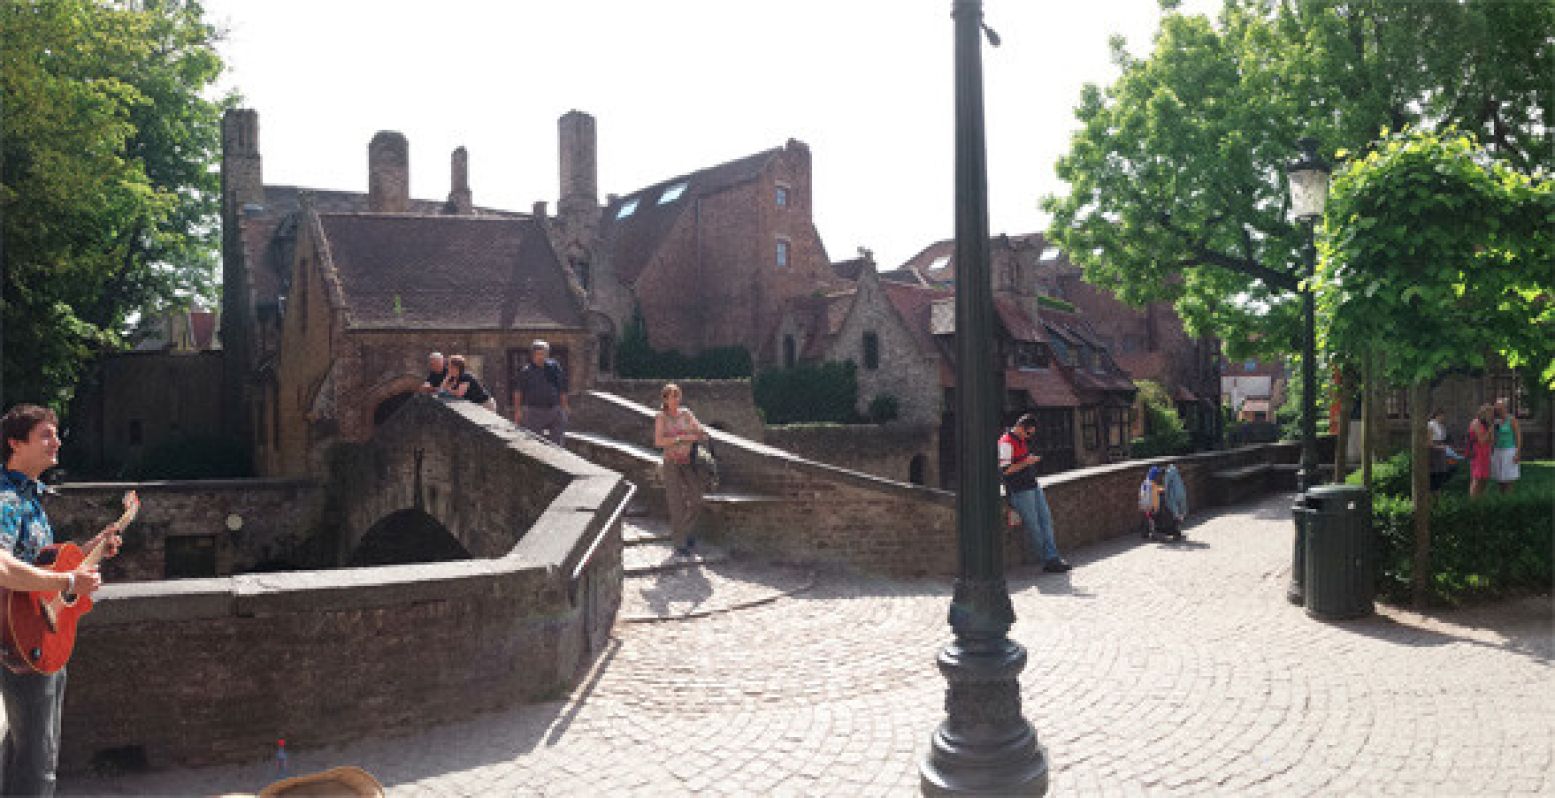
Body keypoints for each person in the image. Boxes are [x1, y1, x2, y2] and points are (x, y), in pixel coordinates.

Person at [0, 405, 121, 797]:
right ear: (15, 444)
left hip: (39, 635)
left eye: (56, 433)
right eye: (46, 435)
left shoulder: (30, 499)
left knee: (22, 754)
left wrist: (92, 550)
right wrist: (71, 578)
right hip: (23, 639)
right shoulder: (7, 499)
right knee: (39, 763)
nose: (57, 441)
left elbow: (39, 570)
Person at [999, 414, 1070, 573]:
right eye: (1028, 433)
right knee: (1034, 526)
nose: (1029, 437)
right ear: (1020, 427)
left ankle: (1053, 557)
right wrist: (1026, 462)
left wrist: (1027, 460)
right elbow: (1006, 471)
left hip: (1032, 484)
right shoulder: (1005, 443)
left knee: (1046, 519)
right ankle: (1048, 560)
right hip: (1019, 489)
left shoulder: (1020, 439)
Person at [653, 383, 708, 558]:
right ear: (665, 399)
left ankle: (686, 531)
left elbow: (700, 431)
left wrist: (699, 431)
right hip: (671, 463)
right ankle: (679, 542)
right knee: (676, 503)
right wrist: (681, 438)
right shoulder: (661, 417)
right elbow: (659, 442)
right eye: (672, 396)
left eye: (677, 395)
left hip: (688, 462)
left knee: (697, 499)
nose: (675, 399)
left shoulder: (686, 413)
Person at [512, 341, 569, 446]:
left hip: (553, 410)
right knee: (535, 442)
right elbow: (518, 393)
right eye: (538, 354)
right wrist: (518, 411)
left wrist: (564, 407)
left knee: (557, 442)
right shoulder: (526, 371)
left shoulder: (554, 367)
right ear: (533, 355)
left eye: (544, 354)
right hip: (533, 411)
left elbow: (562, 388)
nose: (541, 357)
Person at [1490, 398, 1522, 494]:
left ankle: (1508, 500)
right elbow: (1492, 436)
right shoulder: (1495, 421)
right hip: (1497, 450)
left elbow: (1518, 437)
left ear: (1505, 408)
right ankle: (1502, 499)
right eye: (1496, 408)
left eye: (1500, 408)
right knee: (1500, 478)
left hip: (1509, 451)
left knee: (1509, 478)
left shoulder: (1512, 420)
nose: (1498, 410)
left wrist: (1517, 453)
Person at [1467, 404, 1494, 499]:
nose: (1491, 415)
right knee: (1477, 478)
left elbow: (1491, 441)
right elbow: (1481, 441)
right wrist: (1490, 431)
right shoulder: (1476, 423)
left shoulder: (1486, 424)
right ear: (1483, 413)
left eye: (1492, 413)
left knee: (1485, 478)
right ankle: (1473, 501)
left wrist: (1491, 431)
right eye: (1489, 413)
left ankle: (1481, 499)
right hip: (1478, 453)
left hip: (1486, 453)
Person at [1427, 409, 1452, 492]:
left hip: (1441, 450)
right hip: (1434, 452)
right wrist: (1439, 447)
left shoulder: (1441, 426)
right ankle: (1432, 491)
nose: (1443, 418)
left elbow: (1443, 439)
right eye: (1442, 416)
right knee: (1434, 473)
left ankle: (1438, 492)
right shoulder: (1431, 425)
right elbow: (1429, 443)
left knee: (1442, 472)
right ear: (1437, 415)